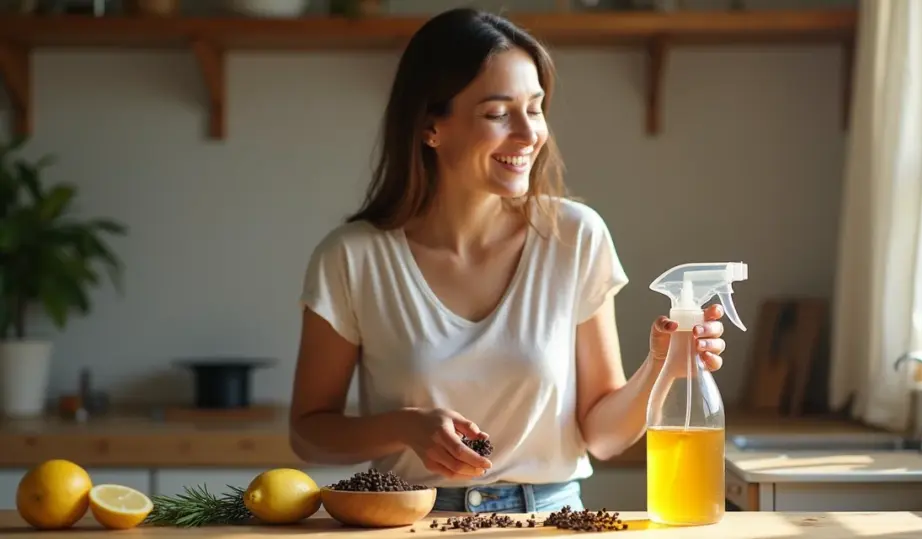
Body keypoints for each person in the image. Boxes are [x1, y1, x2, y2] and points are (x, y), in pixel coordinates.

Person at [288, 7, 728, 514]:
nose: (529, 135)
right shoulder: (351, 258)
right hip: (405, 521)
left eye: (535, 108)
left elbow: (602, 437)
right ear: (432, 126)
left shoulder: (575, 237)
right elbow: (309, 434)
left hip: (550, 520)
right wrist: (403, 426)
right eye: (498, 114)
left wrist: (662, 364)